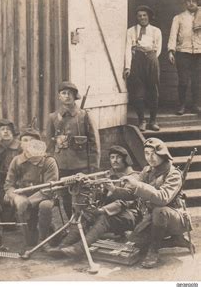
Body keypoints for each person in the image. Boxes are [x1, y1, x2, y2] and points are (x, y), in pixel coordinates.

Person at [48, 145, 141, 258]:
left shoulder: (134, 177)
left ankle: (79, 249)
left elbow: (124, 202)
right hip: (111, 212)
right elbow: (99, 189)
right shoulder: (110, 174)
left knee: (104, 218)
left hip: (130, 214)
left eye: (118, 157)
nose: (115, 160)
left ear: (125, 159)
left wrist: (101, 210)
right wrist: (88, 181)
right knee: (85, 215)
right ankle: (63, 247)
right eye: (112, 157)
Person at [117, 138, 192, 268]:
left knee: (160, 211)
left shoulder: (173, 174)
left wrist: (137, 185)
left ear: (162, 153)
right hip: (149, 217)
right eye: (146, 153)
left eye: (153, 153)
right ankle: (175, 240)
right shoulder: (147, 170)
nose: (150, 157)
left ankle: (154, 250)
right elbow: (132, 193)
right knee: (135, 241)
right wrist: (113, 189)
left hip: (174, 218)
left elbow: (163, 198)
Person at [46, 81, 100, 219]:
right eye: (64, 93)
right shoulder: (53, 117)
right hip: (61, 166)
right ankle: (72, 225)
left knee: (83, 197)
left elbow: (94, 143)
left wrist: (93, 167)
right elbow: (50, 145)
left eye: (70, 93)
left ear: (75, 96)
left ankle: (84, 224)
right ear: (59, 97)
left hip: (81, 165)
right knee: (65, 198)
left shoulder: (84, 116)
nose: (67, 96)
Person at [3, 128, 59, 247]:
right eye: (25, 140)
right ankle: (35, 227)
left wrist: (28, 201)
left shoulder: (49, 161)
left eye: (32, 141)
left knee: (46, 206)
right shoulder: (17, 161)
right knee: (30, 243)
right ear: (21, 144)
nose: (28, 143)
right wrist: (15, 197)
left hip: (44, 197)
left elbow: (50, 187)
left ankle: (44, 237)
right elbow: (9, 184)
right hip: (23, 198)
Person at [124, 5, 162, 131]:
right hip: (137, 62)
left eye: (144, 15)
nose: (142, 18)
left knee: (153, 91)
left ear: (149, 16)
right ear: (136, 17)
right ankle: (142, 121)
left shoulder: (156, 31)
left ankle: (153, 121)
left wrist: (151, 59)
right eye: (139, 16)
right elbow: (128, 49)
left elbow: (158, 49)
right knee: (138, 92)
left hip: (151, 60)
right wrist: (127, 67)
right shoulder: (131, 31)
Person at [168, 0, 201, 115]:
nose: (191, 3)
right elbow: (173, 35)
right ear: (185, 3)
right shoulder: (179, 18)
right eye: (188, 1)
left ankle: (196, 105)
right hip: (183, 53)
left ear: (197, 2)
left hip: (199, 53)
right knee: (183, 80)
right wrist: (171, 51)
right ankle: (181, 105)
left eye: (193, 1)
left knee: (197, 81)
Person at [0, 119, 21, 223]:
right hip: (1, 184)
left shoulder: (20, 148)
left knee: (12, 222)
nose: (6, 131)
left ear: (13, 131)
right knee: (2, 223)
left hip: (17, 183)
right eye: (2, 129)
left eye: (8, 129)